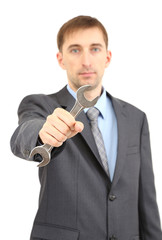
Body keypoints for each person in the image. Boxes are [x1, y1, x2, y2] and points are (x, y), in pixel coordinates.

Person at [10, 15, 162, 240]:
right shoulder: (41, 106)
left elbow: (146, 197)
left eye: (95, 49)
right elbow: (24, 133)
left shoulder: (136, 118)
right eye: (75, 50)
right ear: (60, 59)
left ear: (108, 57)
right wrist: (44, 132)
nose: (87, 61)